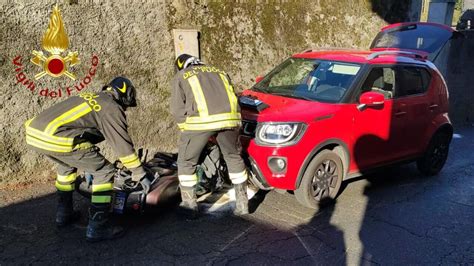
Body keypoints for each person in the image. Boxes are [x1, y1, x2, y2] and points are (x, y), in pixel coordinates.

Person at [24, 77, 150, 242]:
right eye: (126, 106)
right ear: (124, 97)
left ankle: (64, 214)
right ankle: (98, 226)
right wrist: (139, 173)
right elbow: (122, 146)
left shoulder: (89, 97)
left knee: (67, 166)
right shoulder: (111, 107)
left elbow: (82, 128)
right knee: (104, 171)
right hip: (58, 138)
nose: (125, 110)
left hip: (35, 134)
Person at [171, 54, 249, 218]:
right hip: (231, 120)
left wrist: (187, 132)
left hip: (201, 123)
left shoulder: (182, 75)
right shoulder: (220, 72)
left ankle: (189, 208)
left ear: (181, 65)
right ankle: (243, 205)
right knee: (234, 157)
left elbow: (178, 110)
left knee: (186, 162)